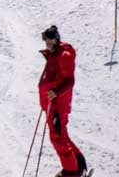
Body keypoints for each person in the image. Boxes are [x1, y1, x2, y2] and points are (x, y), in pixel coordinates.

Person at [39, 25, 86, 177]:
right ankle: (78, 164)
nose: (48, 43)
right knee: (61, 135)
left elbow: (70, 81)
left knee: (57, 138)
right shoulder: (54, 53)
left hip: (58, 105)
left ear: (57, 38)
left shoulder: (64, 55)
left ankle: (71, 172)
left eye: (51, 39)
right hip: (52, 104)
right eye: (46, 40)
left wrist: (55, 92)